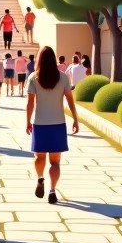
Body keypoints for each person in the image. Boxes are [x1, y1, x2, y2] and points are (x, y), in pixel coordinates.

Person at [26, 46, 79, 204]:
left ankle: (40, 178)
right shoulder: (63, 77)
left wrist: (27, 121)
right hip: (58, 124)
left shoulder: (33, 77)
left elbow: (30, 103)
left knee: (39, 156)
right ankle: (52, 190)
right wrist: (75, 119)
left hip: (40, 124)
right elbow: (70, 100)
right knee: (55, 162)